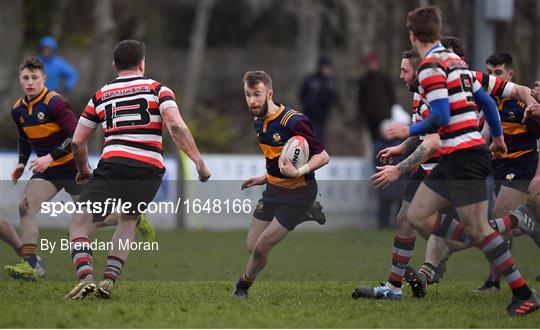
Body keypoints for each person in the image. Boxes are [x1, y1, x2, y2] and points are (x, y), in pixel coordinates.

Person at [404, 6, 538, 316]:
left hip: (464, 157)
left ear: (413, 35)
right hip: (459, 155)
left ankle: (523, 291)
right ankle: (493, 234)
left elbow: (440, 115)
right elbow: (491, 99)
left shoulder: (432, 67)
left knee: (474, 231)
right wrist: (500, 138)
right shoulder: (454, 62)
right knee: (418, 215)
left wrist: (406, 131)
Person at [64, 40, 211, 300]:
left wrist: (83, 169)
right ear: (142, 63)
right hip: (150, 171)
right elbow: (176, 127)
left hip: (114, 165)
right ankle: (108, 281)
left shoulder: (100, 95)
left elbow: (77, 141)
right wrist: (198, 162)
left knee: (79, 223)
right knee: (129, 219)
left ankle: (86, 277)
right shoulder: (158, 89)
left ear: (114, 65)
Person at [352, 49, 443, 300]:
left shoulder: (437, 95)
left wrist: (398, 168)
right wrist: (401, 148)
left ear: (418, 70)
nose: (400, 76)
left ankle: (442, 257)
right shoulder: (417, 94)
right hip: (426, 167)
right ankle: (393, 288)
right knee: (404, 219)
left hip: (447, 168)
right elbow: (421, 134)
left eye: (404, 70)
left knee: (467, 232)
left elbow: (433, 142)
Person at [232, 71, 330, 298]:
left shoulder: (294, 121)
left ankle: (242, 286)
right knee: (251, 245)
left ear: (270, 94)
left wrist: (299, 171)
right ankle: (308, 213)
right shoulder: (258, 121)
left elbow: (323, 156)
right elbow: (277, 159)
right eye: (248, 95)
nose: (252, 100)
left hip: (299, 194)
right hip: (273, 190)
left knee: (261, 246)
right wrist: (264, 177)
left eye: (257, 94)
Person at [469, 52, 539, 294]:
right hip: (499, 166)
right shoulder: (488, 99)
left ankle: (494, 282)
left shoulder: (524, 99)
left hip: (521, 166)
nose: (492, 77)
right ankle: (531, 227)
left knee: (499, 216)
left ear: (510, 74)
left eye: (498, 72)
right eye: (489, 72)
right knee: (513, 225)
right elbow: (486, 134)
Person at [4, 57, 79, 281]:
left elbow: (76, 136)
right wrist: (21, 162)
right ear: (20, 80)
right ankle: (30, 264)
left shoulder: (55, 102)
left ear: (43, 79)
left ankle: (132, 216)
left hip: (73, 167)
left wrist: (50, 157)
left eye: (34, 78)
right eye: (25, 78)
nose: (30, 82)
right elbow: (24, 138)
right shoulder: (18, 109)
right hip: (47, 170)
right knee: (25, 208)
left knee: (94, 217)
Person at [358, 53, 402, 229]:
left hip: (383, 119)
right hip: (372, 124)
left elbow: (391, 98)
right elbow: (361, 102)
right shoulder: (364, 81)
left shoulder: (384, 79)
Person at [299, 56, 338, 143]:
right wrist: (310, 105)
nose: (328, 70)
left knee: (320, 138)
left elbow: (334, 98)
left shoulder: (330, 82)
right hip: (310, 114)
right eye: (326, 67)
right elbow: (302, 95)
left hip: (323, 115)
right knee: (309, 136)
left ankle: (317, 154)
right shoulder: (311, 80)